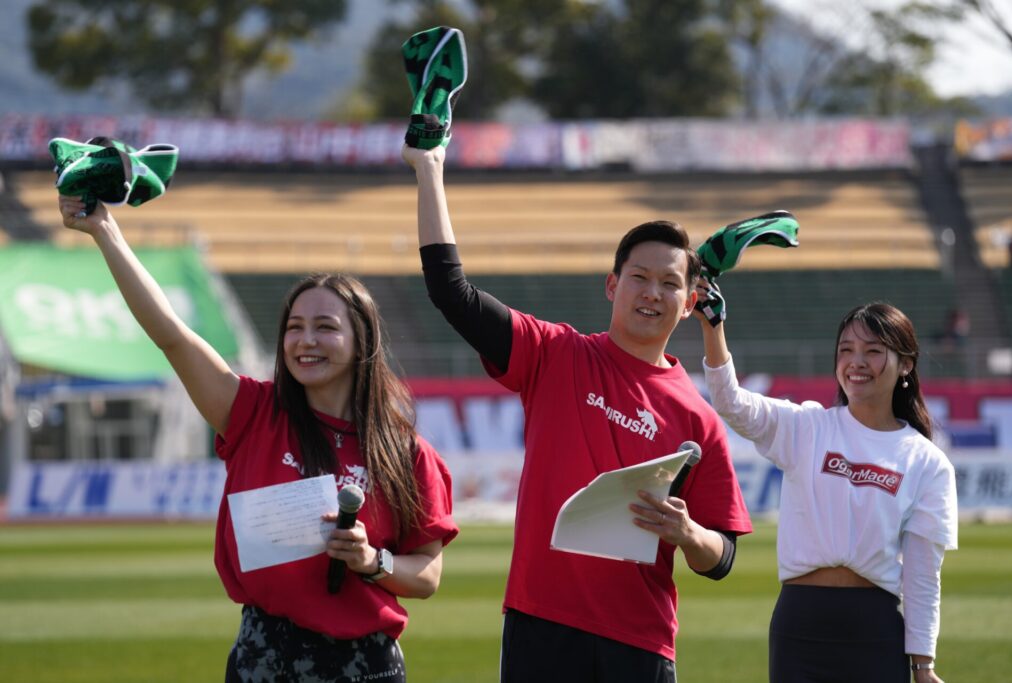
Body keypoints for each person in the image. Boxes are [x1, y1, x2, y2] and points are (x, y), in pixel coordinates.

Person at [56, 195, 458, 683]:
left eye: (325, 328)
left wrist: (370, 560)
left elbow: (427, 576)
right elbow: (173, 336)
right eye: (294, 327)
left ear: (362, 342)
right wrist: (106, 232)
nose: (305, 341)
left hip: (366, 666)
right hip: (263, 658)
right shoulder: (252, 413)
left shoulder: (407, 453)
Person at [402, 144, 753, 683]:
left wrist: (687, 533)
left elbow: (721, 558)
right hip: (542, 626)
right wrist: (429, 168)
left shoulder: (696, 419)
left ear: (688, 304)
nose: (652, 293)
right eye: (639, 277)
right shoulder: (553, 354)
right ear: (612, 285)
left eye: (669, 283)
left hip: (641, 641)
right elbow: (452, 293)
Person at [699, 299, 958, 683]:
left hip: (876, 630)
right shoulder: (806, 427)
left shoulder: (927, 462)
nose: (856, 362)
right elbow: (729, 401)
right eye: (846, 350)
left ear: (905, 364)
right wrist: (713, 326)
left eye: (873, 351)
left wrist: (923, 665)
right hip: (799, 626)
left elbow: (922, 575)